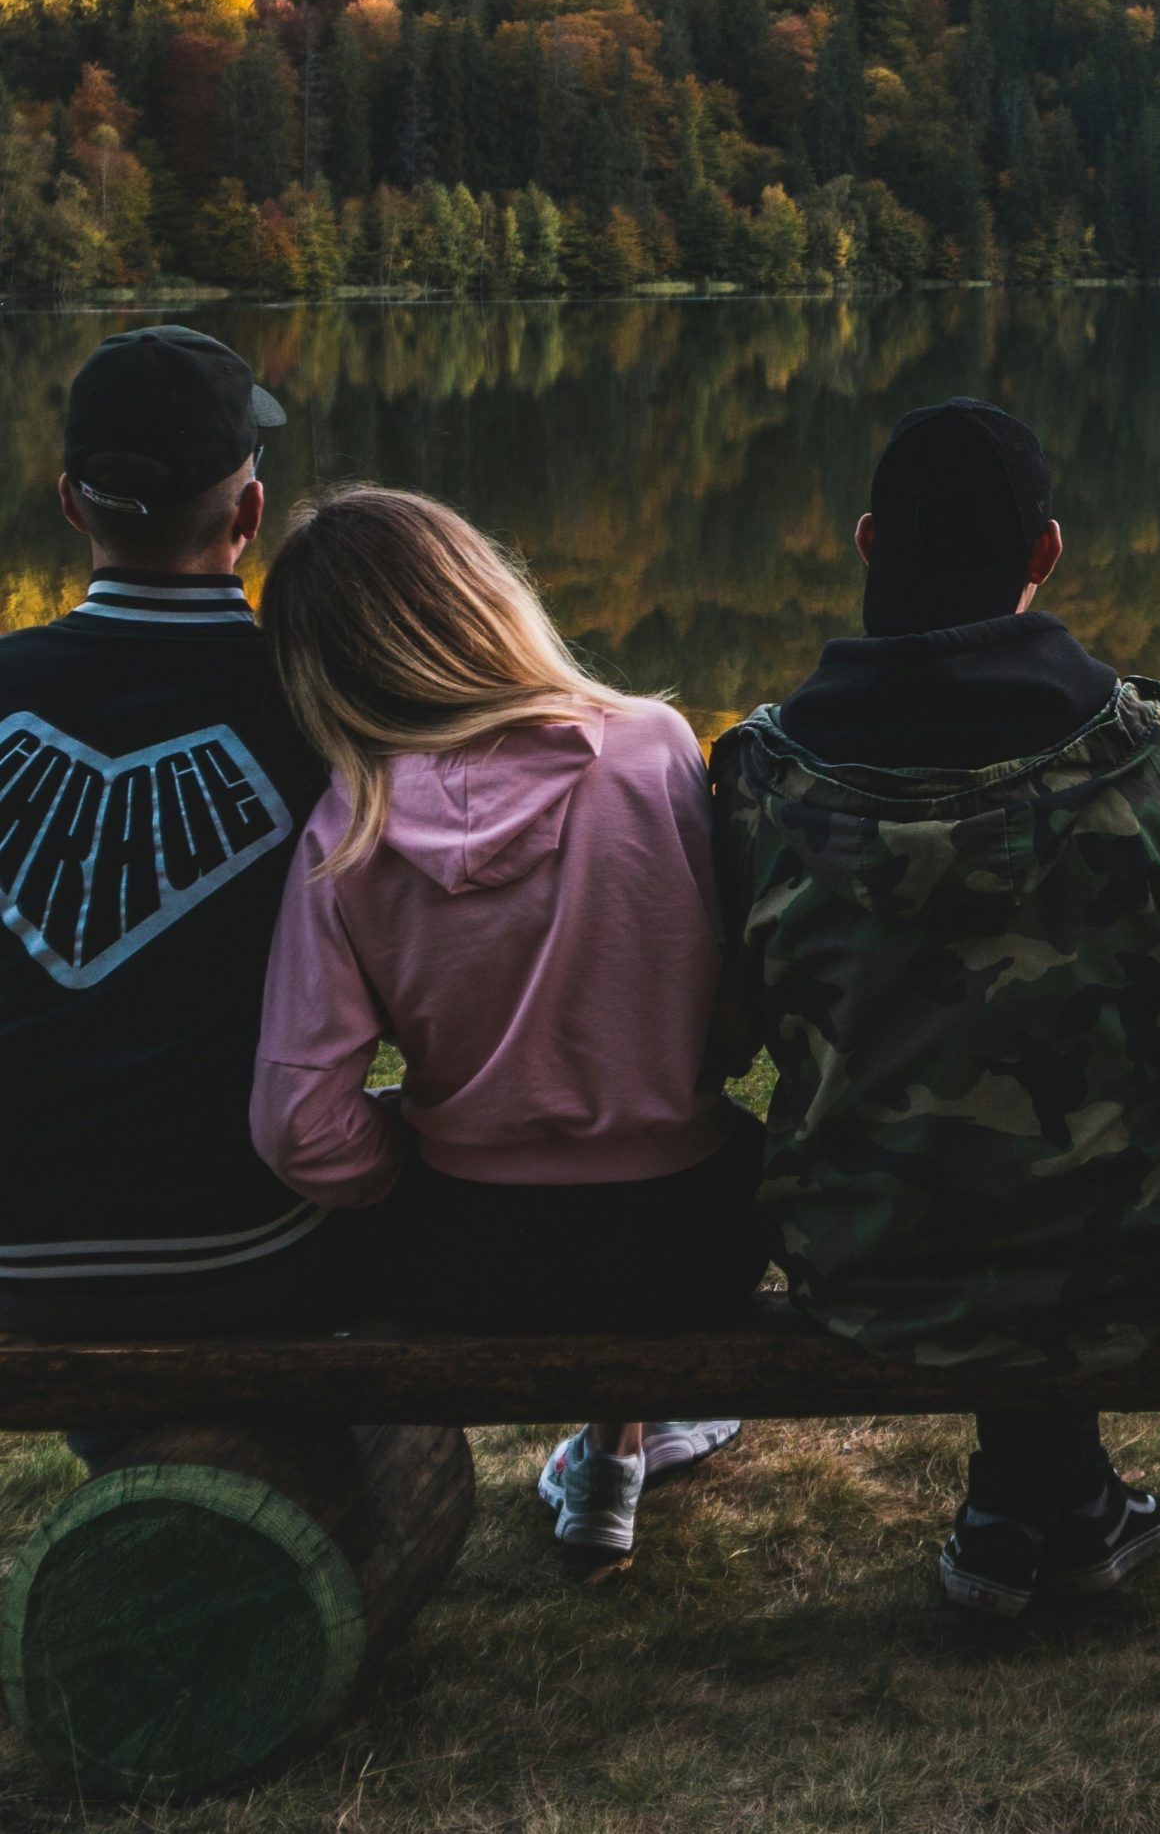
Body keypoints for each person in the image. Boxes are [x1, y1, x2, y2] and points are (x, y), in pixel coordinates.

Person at [711, 398, 1160, 1621]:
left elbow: (729, 1036)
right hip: (1126, 1250)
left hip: (862, 1255)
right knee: (1074, 1126)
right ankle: (1056, 1503)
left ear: (866, 539)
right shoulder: (1147, 754)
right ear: (1043, 555)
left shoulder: (759, 777)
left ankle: (1029, 1505)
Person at [252, 487, 764, 1573]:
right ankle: (617, 1453)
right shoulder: (652, 747)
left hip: (468, 1258)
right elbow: (719, 994)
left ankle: (611, 1461)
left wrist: (424, 1136)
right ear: (484, 596)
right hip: (685, 1246)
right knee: (671, 1154)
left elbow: (300, 1127)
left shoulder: (351, 824)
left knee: (511, 1184)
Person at [0, 325, 375, 1343]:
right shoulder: (322, 704)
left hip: (12, 1257)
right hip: (247, 1248)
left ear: (69, 499)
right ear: (251, 511)